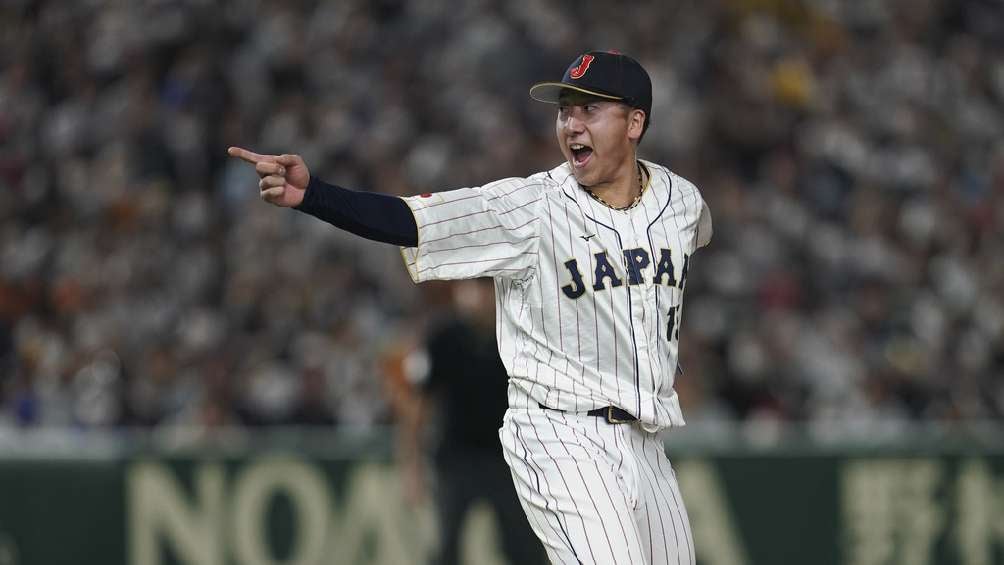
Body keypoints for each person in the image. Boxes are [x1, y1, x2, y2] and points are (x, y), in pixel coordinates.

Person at [229, 50, 711, 564]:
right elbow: (413, 221)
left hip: (646, 438)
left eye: (590, 110)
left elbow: (685, 250)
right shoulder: (530, 209)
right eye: (565, 110)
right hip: (562, 434)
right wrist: (315, 195)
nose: (571, 124)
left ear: (635, 122)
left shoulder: (682, 202)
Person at [398, 279, 547, 565]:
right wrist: (412, 467)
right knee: (445, 547)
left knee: (524, 549)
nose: (476, 296)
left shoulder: (520, 335)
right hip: (455, 457)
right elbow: (418, 406)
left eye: (484, 287)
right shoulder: (443, 337)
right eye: (471, 286)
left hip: (508, 459)